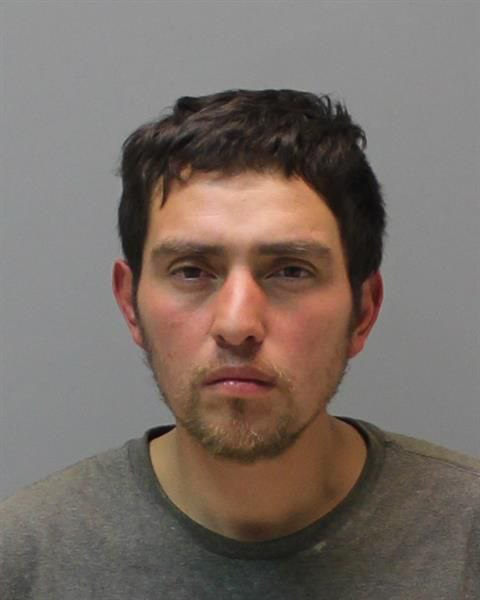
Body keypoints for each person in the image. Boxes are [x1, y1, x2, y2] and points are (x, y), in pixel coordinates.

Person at [1, 89, 478, 599]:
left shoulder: (466, 539)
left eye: (290, 271)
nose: (236, 324)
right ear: (130, 305)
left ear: (362, 311)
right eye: (191, 271)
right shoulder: (25, 559)